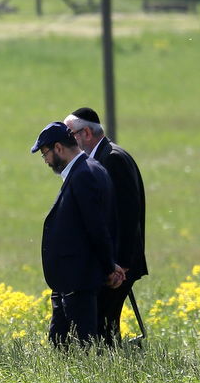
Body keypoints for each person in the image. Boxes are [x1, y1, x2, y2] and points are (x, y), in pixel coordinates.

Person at [31, 122, 122, 346]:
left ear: (58, 148)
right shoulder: (89, 169)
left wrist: (109, 267)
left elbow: (96, 227)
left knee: (81, 346)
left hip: (79, 279)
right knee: (63, 344)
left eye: (45, 154)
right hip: (72, 280)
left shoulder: (84, 175)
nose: (46, 160)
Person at [63, 107, 147, 343]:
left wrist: (121, 264)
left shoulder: (112, 159)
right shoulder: (103, 157)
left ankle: (114, 363)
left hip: (120, 265)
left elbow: (128, 214)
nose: (67, 142)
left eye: (70, 135)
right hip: (112, 263)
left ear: (86, 133)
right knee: (104, 326)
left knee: (104, 328)